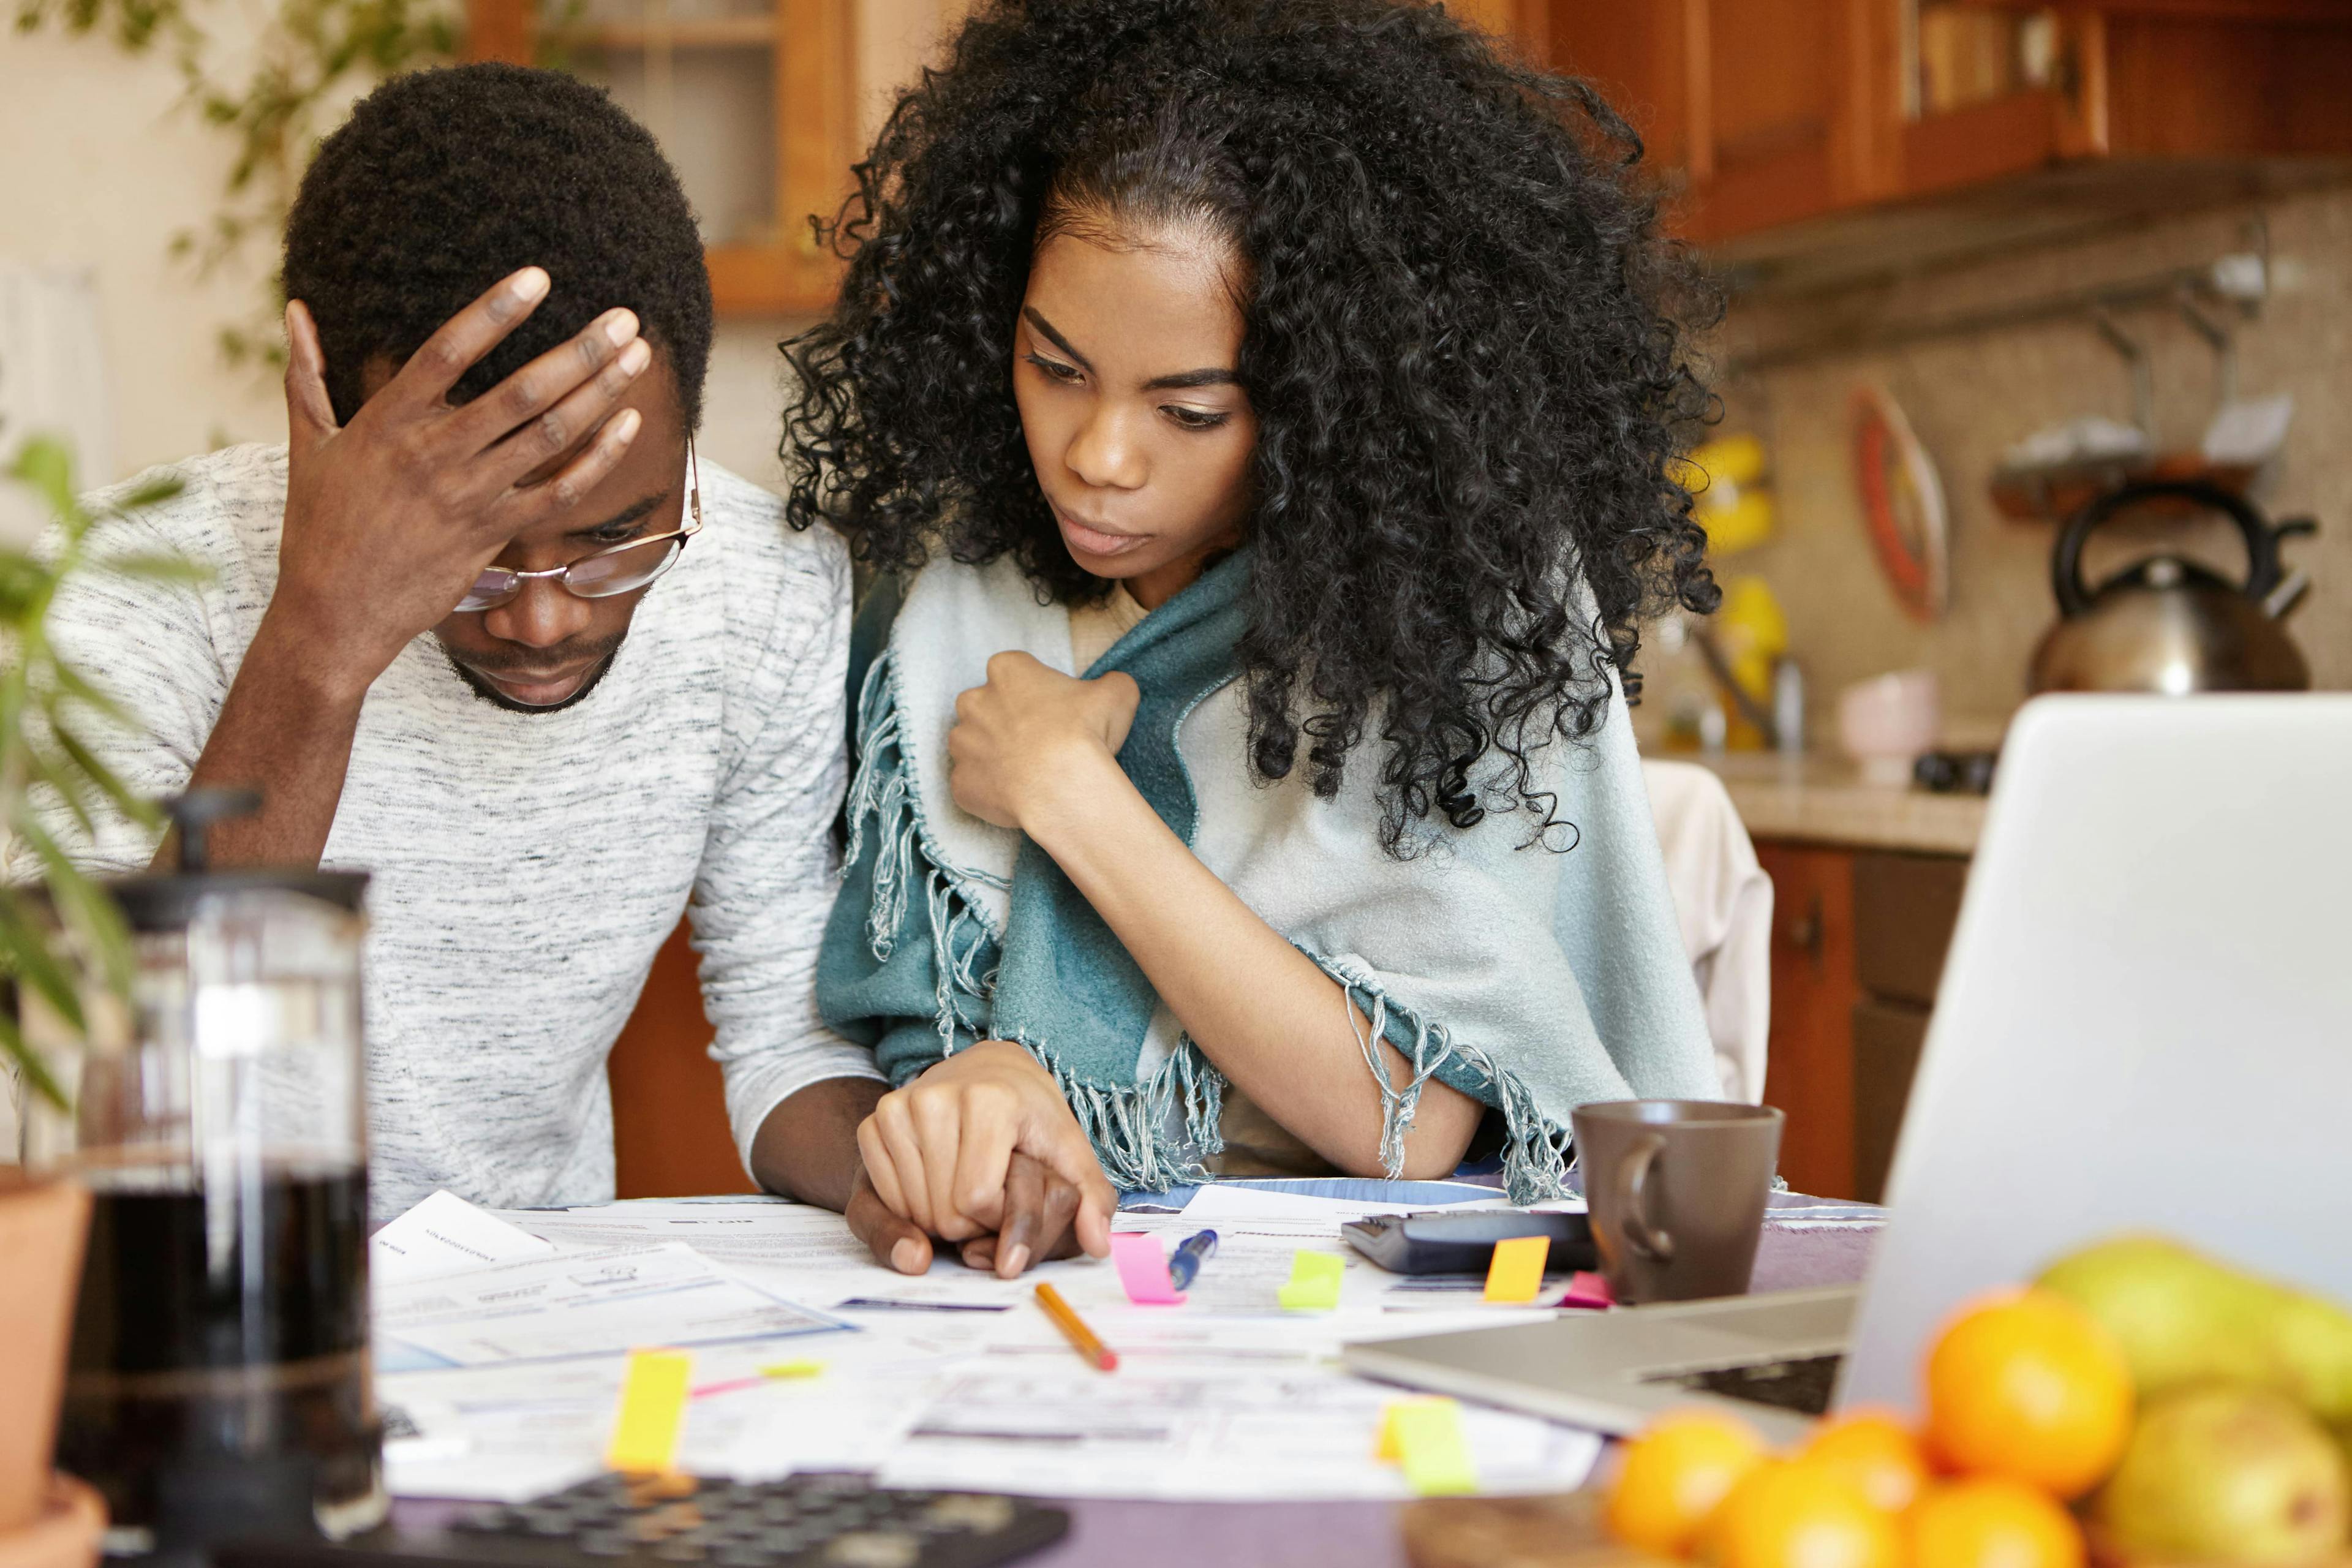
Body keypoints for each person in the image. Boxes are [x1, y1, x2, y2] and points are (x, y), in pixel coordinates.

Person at [789, 0, 1727, 1276]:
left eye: (1187, 409)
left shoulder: (1454, 616)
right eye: (1054, 367)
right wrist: (975, 1105)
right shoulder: (949, 610)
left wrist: (1074, 794)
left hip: (1371, 1298)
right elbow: (883, 1049)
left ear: (1326, 401)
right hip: (1059, 1291)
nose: (1096, 457)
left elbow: (1404, 1116)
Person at [20, 64, 886, 1220]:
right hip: (189, 1316)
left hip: (533, 1330)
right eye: (469, 552)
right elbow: (107, 1090)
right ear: (325, 415)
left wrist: (910, 1180)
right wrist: (320, 635)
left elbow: (783, 1030)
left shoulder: (765, 588)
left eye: (618, 537)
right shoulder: (135, 583)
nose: (542, 618)